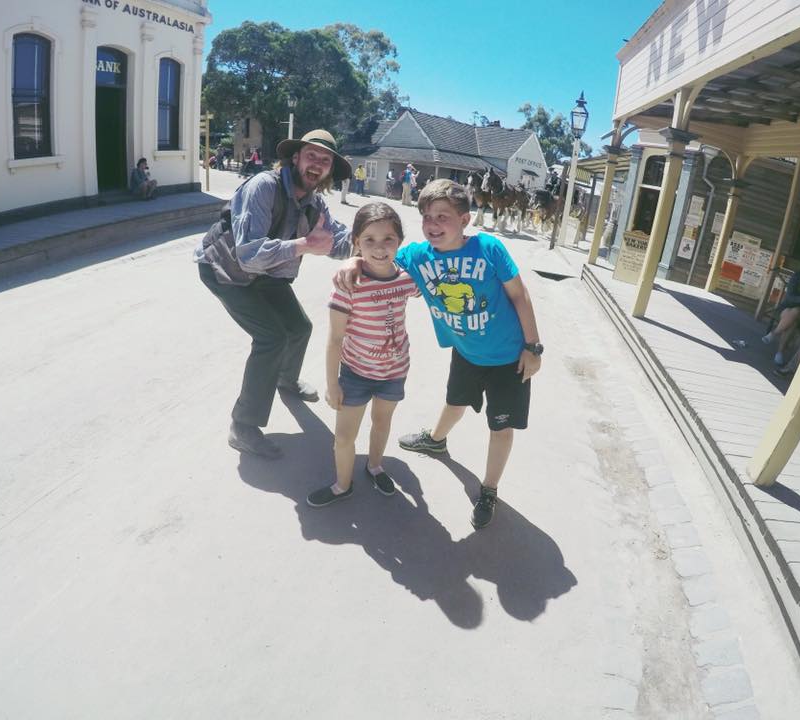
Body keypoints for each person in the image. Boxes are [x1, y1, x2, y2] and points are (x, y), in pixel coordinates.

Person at [335, 179, 542, 529]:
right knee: (455, 401)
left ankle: (489, 488)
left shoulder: (489, 249)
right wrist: (352, 262)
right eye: (427, 216)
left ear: (466, 220)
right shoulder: (417, 256)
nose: (432, 224)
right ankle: (435, 440)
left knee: (501, 427)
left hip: (509, 357)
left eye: (442, 216)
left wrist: (533, 347)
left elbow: (520, 295)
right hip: (465, 350)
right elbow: (378, 259)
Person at [194, 129, 354, 459]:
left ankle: (286, 380)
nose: (317, 164)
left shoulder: (314, 203)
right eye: (311, 155)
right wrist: (303, 245)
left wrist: (381, 244)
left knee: (299, 327)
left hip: (267, 272)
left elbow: (340, 241)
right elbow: (248, 254)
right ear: (295, 157)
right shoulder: (263, 187)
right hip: (227, 270)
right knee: (271, 338)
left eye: (325, 161)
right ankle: (243, 426)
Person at [307, 203, 420, 507]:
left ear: (400, 241)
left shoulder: (407, 279)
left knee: (382, 424)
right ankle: (342, 485)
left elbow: (434, 271)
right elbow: (334, 340)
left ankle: (375, 466)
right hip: (355, 375)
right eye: (369, 239)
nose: (380, 248)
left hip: (395, 372)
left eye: (388, 239)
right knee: (344, 438)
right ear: (356, 241)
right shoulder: (349, 284)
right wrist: (333, 384)